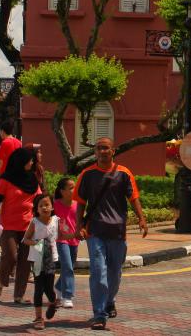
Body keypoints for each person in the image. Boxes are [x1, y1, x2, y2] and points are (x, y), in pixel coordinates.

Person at [74, 137, 148, 331]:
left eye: (106, 148)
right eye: (99, 148)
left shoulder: (124, 173)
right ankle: (99, 314)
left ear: (113, 151)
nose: (102, 151)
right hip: (95, 231)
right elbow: (80, 202)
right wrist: (78, 225)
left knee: (115, 272)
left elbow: (134, 198)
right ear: (95, 152)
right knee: (98, 272)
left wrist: (141, 218)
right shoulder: (87, 174)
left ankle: (110, 300)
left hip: (117, 232)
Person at [0, 147, 42, 303]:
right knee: (10, 256)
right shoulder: (5, 179)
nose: (32, 162)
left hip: (28, 227)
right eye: (29, 160)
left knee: (26, 262)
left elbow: (39, 199)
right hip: (9, 225)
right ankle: (2, 279)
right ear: (21, 161)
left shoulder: (33, 179)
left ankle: (19, 295)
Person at [23, 193, 61, 330]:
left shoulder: (57, 220)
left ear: (52, 207)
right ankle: (39, 318)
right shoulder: (34, 222)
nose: (44, 208)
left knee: (49, 288)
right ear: (36, 209)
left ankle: (53, 302)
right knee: (39, 288)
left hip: (52, 259)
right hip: (37, 259)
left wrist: (75, 235)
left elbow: (62, 236)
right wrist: (36, 243)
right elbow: (25, 239)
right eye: (41, 206)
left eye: (47, 205)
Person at [53, 176, 80, 309]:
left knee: (68, 268)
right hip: (60, 240)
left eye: (74, 187)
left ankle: (58, 287)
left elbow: (80, 222)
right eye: (70, 188)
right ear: (62, 191)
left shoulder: (78, 204)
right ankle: (67, 296)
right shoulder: (55, 204)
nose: (74, 190)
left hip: (74, 240)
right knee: (67, 266)